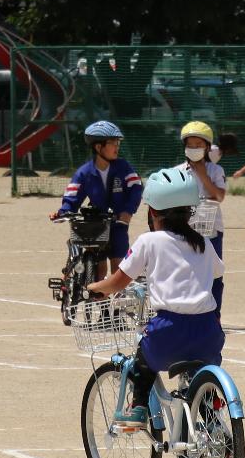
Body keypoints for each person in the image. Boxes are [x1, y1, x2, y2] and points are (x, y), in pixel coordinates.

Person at [86, 167, 225, 434]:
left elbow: (117, 282)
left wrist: (96, 287)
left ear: (153, 212)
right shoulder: (203, 243)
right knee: (200, 375)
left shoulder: (149, 241)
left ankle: (137, 408)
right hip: (208, 333)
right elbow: (218, 272)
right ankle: (211, 421)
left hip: (169, 333)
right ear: (190, 211)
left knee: (144, 358)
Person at [53, 120, 141, 279]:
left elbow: (136, 188)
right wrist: (63, 212)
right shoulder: (84, 172)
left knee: (118, 269)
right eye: (112, 143)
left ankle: (116, 302)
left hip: (118, 225)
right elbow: (72, 195)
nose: (117, 146)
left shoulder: (123, 167)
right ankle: (97, 299)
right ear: (98, 147)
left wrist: (128, 211)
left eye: (117, 142)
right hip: (95, 225)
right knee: (99, 270)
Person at [179, 121, 227, 310]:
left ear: (207, 147)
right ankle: (189, 311)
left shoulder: (216, 170)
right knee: (187, 270)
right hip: (185, 226)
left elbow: (219, 196)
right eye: (190, 145)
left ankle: (214, 314)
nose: (194, 148)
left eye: (198, 145)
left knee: (214, 273)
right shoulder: (178, 171)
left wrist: (202, 174)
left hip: (211, 226)